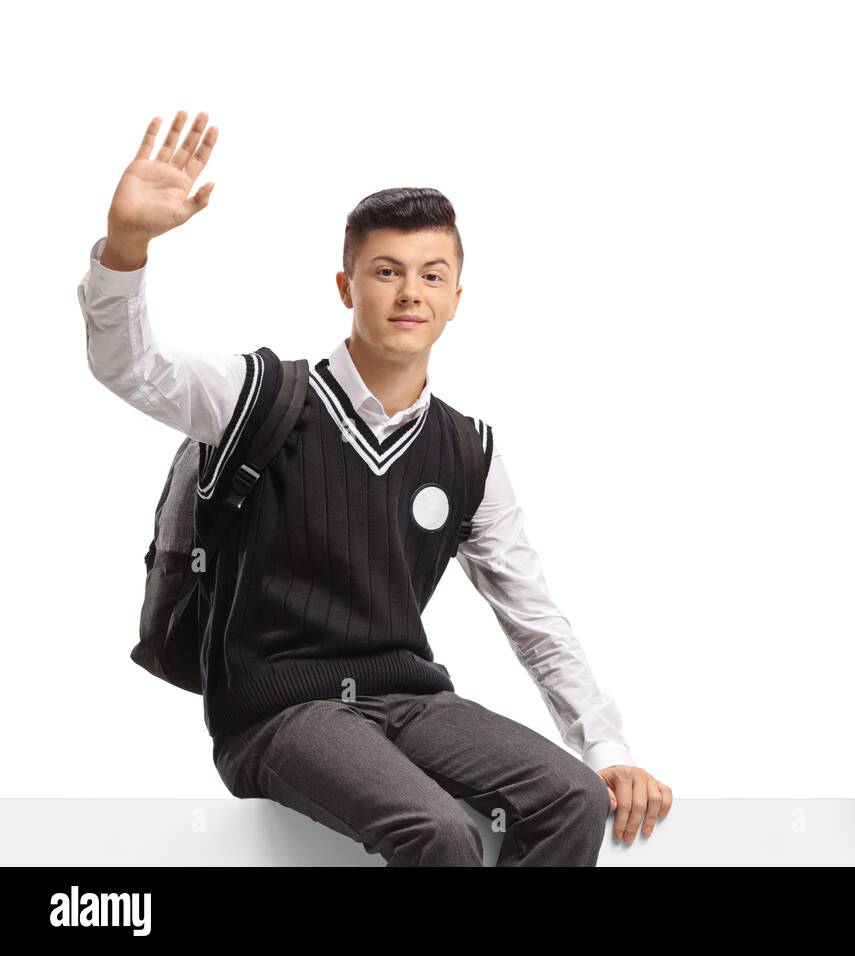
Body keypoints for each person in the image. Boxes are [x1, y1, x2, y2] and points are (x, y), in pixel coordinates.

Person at [79, 110, 671, 866]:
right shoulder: (256, 396)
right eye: (386, 271)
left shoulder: (467, 451)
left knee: (572, 798)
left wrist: (605, 743)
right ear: (346, 285)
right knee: (439, 833)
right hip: (279, 713)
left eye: (432, 275)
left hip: (411, 702)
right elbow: (128, 366)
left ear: (457, 296)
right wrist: (126, 247)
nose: (409, 293)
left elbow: (533, 612)